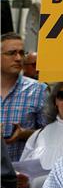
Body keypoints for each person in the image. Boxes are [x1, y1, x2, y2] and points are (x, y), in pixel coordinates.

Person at [1, 33, 47, 161]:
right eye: (11, 53)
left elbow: (50, 134)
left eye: (22, 53)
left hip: (20, 176)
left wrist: (25, 134)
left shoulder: (38, 90)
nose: (18, 58)